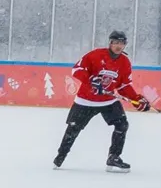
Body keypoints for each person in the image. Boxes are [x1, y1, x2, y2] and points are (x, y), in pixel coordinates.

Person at [53, 30, 151, 172]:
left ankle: (114, 157)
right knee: (73, 129)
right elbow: (77, 70)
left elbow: (123, 86)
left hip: (108, 101)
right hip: (85, 101)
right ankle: (61, 155)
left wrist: (136, 99)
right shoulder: (96, 55)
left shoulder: (124, 62)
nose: (119, 46)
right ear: (110, 43)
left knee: (122, 125)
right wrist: (91, 80)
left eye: (122, 43)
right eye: (116, 43)